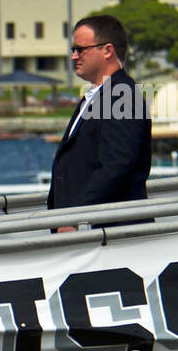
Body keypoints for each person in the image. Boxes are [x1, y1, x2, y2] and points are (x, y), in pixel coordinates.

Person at [46, 15, 152, 231]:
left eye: (81, 49)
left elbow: (116, 164)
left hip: (111, 233)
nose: (74, 56)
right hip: (90, 229)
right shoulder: (97, 95)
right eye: (73, 50)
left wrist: (76, 216)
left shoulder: (122, 95)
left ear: (107, 51)